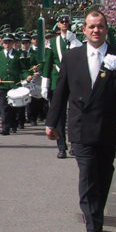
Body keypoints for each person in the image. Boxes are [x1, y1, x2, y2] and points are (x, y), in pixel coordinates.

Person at [46, 10, 116, 232]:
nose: (96, 30)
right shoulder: (72, 57)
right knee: (87, 175)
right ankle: (92, 226)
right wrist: (51, 122)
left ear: (106, 29)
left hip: (109, 126)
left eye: (100, 26)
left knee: (104, 173)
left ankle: (97, 215)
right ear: (84, 30)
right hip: (80, 126)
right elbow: (61, 92)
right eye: (91, 26)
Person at [41, 11, 82, 158]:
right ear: (58, 24)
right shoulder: (53, 42)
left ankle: (74, 144)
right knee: (59, 116)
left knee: (74, 114)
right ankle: (61, 146)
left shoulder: (76, 40)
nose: (64, 24)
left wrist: (75, 42)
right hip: (57, 81)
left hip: (73, 82)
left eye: (66, 22)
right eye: (62, 22)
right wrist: (45, 84)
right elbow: (48, 63)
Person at [0, 34, 30, 135]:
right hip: (2, 85)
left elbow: (22, 69)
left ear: (13, 43)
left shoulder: (18, 54)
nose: (7, 44)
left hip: (14, 85)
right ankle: (5, 128)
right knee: (4, 107)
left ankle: (14, 125)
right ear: (3, 43)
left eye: (9, 42)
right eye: (5, 42)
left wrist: (27, 76)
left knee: (14, 107)